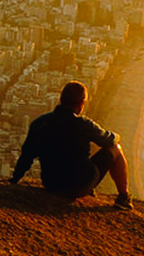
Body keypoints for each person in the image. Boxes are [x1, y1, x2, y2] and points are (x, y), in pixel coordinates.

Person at [8, 81, 133, 210]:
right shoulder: (83, 124)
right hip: (80, 185)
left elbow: (27, 155)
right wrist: (117, 137)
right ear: (81, 104)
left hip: (52, 184)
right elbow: (108, 141)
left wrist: (15, 179)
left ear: (61, 100)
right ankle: (124, 197)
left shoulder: (40, 123)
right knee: (115, 148)